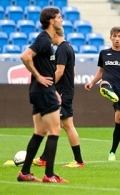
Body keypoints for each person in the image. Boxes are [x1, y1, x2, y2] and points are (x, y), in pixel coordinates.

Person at [18, 7, 68, 183]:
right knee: (55, 130)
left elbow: (42, 66)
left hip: (41, 91)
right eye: (59, 17)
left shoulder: (46, 40)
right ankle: (49, 175)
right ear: (52, 21)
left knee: (40, 131)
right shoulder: (44, 40)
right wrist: (39, 77)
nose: (62, 20)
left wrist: (53, 89)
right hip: (42, 90)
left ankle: (25, 173)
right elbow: (25, 56)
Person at [84, 26, 120, 161]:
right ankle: (106, 90)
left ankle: (112, 152)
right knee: (104, 83)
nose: (117, 39)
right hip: (108, 82)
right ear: (110, 37)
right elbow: (101, 72)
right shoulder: (104, 53)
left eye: (119, 36)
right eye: (114, 36)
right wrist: (91, 82)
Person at [32, 28, 84, 168]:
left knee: (66, 125)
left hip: (62, 92)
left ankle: (79, 161)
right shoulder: (68, 48)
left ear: (55, 35)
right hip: (65, 90)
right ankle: (44, 158)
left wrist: (49, 86)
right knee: (55, 125)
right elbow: (72, 71)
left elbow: (60, 72)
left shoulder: (61, 49)